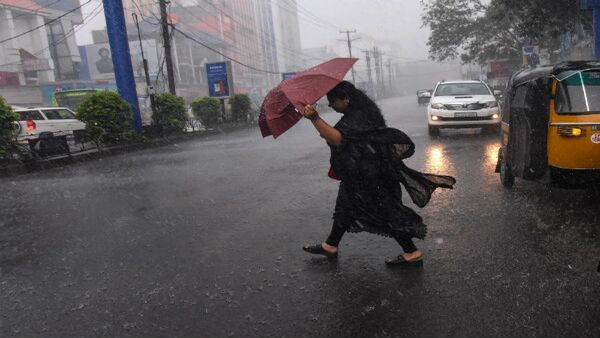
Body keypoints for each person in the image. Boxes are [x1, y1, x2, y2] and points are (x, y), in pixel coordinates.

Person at [301, 81, 455, 267]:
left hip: (371, 175)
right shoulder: (361, 111)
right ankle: (330, 245)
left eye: (333, 102)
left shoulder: (358, 116)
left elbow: (338, 138)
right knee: (345, 207)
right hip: (362, 172)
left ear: (346, 99)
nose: (331, 106)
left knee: (386, 211)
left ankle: (411, 253)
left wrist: (315, 118)